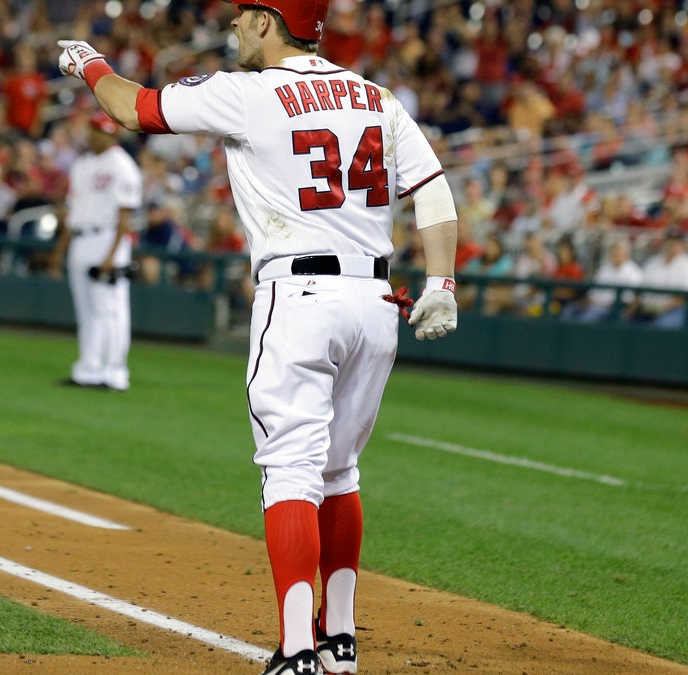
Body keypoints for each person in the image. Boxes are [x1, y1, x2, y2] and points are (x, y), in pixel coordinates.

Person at [55, 2, 460, 672]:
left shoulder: (248, 92)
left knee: (290, 472)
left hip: (299, 295)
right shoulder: (375, 96)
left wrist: (88, 63)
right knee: (340, 470)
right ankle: (340, 639)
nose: (236, 29)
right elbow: (432, 187)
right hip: (374, 299)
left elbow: (134, 110)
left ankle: (298, 648)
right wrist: (442, 282)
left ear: (270, 22)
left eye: (245, 17)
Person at [49, 111, 142, 392]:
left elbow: (125, 215)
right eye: (92, 129)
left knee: (109, 309)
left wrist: (112, 255)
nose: (93, 135)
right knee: (87, 311)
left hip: (107, 238)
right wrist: (59, 252)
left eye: (99, 130)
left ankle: (114, 373)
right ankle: (88, 369)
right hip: (80, 239)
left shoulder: (122, 165)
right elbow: (71, 211)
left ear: (112, 134)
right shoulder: (83, 163)